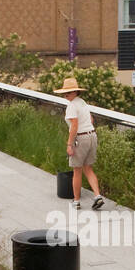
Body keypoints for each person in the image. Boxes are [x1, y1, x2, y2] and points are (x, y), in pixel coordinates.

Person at [55, 77, 104, 210]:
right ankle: (97, 196)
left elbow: (74, 126)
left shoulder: (71, 106)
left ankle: (76, 202)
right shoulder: (82, 103)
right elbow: (91, 120)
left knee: (77, 170)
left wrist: (70, 144)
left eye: (69, 92)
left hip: (81, 138)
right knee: (88, 168)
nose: (66, 95)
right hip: (92, 135)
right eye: (65, 92)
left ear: (76, 92)